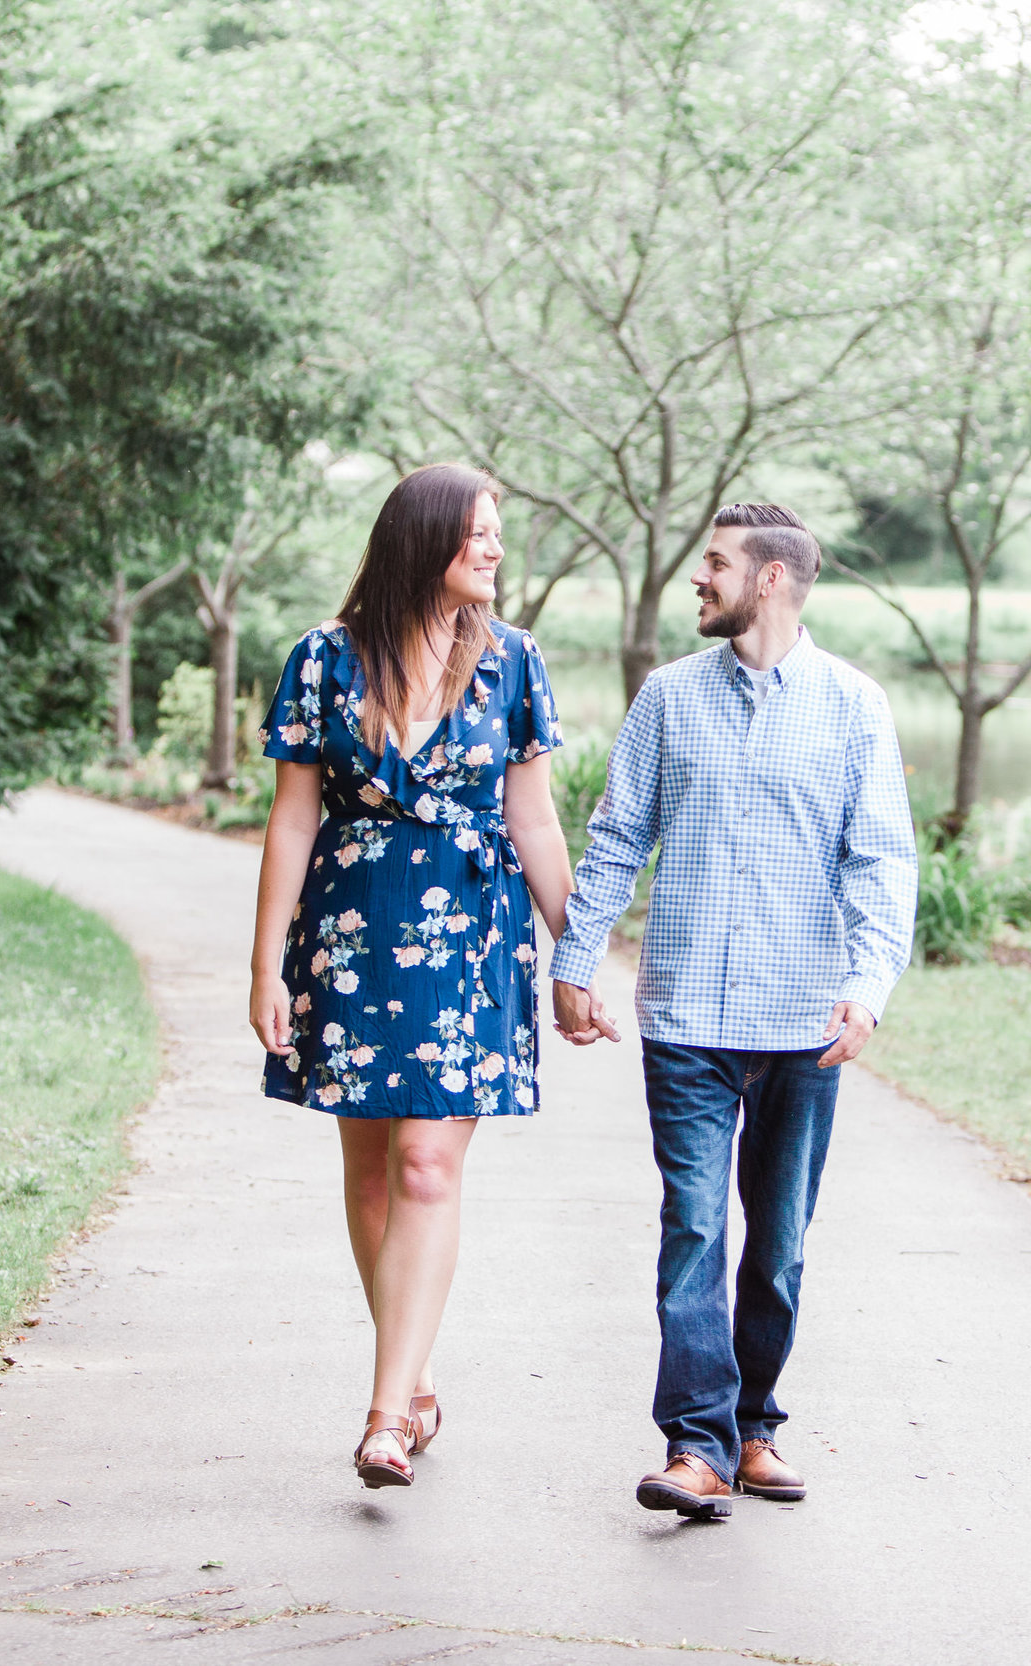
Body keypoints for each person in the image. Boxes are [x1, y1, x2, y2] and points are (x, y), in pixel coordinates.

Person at [550, 503, 917, 1520]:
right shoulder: (667, 699)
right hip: (686, 1020)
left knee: (780, 1239)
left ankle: (755, 1426)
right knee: (695, 1227)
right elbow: (619, 834)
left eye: (713, 564)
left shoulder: (853, 705)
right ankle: (696, 1443)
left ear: (769, 581)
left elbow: (881, 860)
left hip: (805, 1023)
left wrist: (869, 990)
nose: (695, 580)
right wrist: (576, 955)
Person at [248, 463, 579, 1489]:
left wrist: (582, 948)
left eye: (496, 533)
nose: (492, 549)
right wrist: (264, 964)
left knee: (428, 1165)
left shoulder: (514, 662)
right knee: (370, 1174)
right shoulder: (321, 660)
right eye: (476, 532)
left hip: (473, 938)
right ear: (420, 539)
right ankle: (418, 1369)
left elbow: (533, 818)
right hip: (350, 934)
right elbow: (294, 816)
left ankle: (385, 1414)